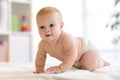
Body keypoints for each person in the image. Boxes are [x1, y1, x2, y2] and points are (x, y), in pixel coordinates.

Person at [35, 6, 110, 74]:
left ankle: (100, 62)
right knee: (78, 64)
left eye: (51, 25)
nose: (46, 30)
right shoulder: (43, 44)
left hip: (86, 49)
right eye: (42, 27)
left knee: (88, 66)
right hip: (76, 58)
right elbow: (40, 57)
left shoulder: (66, 39)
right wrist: (39, 69)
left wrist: (60, 68)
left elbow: (72, 56)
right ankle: (87, 61)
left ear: (61, 26)